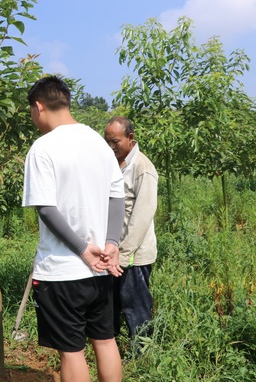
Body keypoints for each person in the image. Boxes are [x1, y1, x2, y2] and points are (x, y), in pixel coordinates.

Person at [22, 75, 125, 382]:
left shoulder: (43, 148)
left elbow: (46, 209)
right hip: (102, 267)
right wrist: (111, 243)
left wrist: (82, 249)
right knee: (105, 341)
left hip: (63, 269)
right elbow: (116, 196)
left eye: (31, 111)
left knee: (72, 351)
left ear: (39, 106)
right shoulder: (98, 142)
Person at [104, 116, 158, 345]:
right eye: (107, 141)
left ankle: (142, 354)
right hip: (113, 251)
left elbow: (142, 217)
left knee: (135, 306)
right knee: (112, 303)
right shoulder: (113, 163)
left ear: (131, 138)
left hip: (133, 255)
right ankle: (112, 348)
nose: (110, 147)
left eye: (115, 141)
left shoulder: (143, 168)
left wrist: (123, 255)